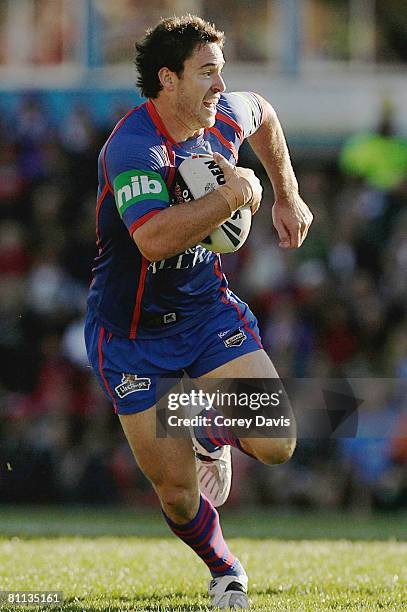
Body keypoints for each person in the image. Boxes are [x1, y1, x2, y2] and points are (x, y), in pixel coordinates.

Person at [85, 14, 313, 609]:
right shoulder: (134, 146)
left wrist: (286, 196)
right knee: (180, 496)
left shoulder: (224, 118)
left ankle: (209, 429)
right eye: (207, 73)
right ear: (169, 79)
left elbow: (263, 110)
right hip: (130, 335)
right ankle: (225, 569)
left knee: (277, 443)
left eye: (221, 71)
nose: (220, 85)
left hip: (205, 313)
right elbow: (155, 239)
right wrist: (235, 193)